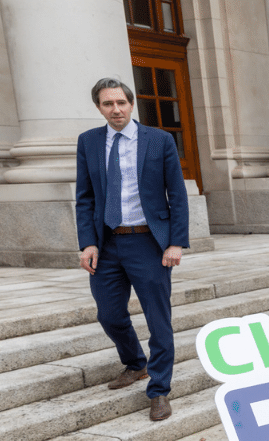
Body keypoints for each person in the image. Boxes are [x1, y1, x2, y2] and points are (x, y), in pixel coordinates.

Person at [76, 78, 189, 421]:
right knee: (109, 314)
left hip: (148, 242)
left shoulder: (158, 140)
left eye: (121, 102)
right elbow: (85, 197)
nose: (116, 109)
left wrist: (176, 242)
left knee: (158, 319)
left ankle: (158, 389)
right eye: (108, 104)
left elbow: (177, 196)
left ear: (131, 103)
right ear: (99, 107)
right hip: (107, 243)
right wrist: (88, 243)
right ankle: (134, 362)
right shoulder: (89, 142)